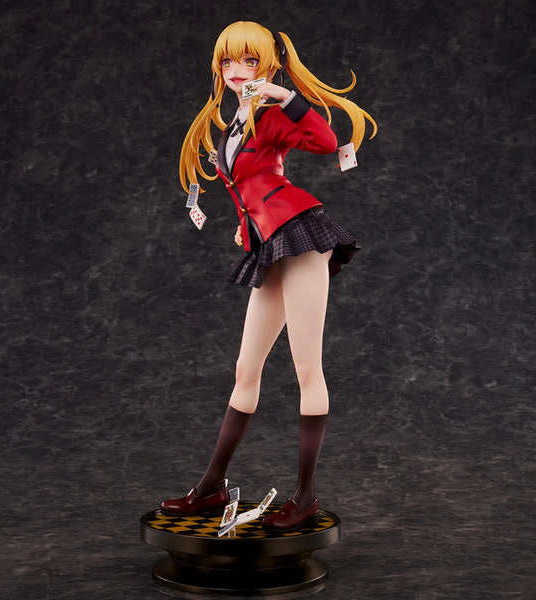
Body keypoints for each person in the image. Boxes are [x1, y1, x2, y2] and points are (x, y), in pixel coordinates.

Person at [161, 21, 376, 532]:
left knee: (307, 369)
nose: (237, 71)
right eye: (228, 62)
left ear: (270, 66)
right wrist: (247, 225)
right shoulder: (234, 123)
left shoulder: (273, 114)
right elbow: (246, 185)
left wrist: (284, 96)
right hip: (269, 243)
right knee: (246, 370)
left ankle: (306, 497)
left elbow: (325, 140)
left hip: (300, 237)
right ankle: (212, 486)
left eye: (250, 61)